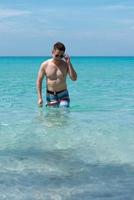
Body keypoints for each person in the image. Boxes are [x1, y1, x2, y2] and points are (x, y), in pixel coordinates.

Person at [36, 42, 77, 108]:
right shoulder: (45, 65)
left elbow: (74, 78)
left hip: (63, 94)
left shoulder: (65, 65)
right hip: (50, 95)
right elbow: (39, 81)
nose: (58, 58)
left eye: (61, 56)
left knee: (64, 113)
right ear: (52, 52)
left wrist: (69, 63)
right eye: (57, 55)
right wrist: (40, 98)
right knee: (52, 117)